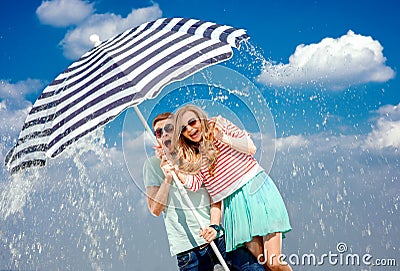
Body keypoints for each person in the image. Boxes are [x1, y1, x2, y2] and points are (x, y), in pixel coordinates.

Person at [170, 105, 292, 271]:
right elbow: (195, 183)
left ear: (200, 118)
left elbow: (250, 148)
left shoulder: (219, 124)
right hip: (234, 205)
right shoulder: (194, 154)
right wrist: (174, 170)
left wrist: (222, 137)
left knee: (274, 263)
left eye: (192, 122)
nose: (190, 129)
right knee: (262, 263)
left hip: (255, 191)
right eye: (184, 129)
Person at [143, 112, 264, 271]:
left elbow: (216, 195)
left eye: (169, 128)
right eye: (159, 132)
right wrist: (167, 179)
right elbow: (155, 209)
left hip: (218, 237)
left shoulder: (196, 156)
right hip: (187, 251)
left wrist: (214, 227)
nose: (164, 133)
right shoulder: (151, 165)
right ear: (156, 138)